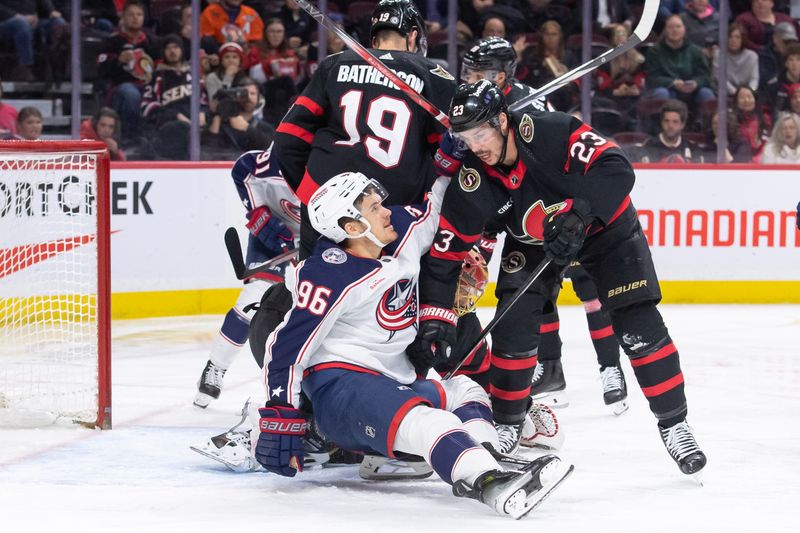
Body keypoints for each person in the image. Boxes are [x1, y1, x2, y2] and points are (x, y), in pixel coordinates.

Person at [413, 80, 707, 477]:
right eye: (465, 138)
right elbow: (446, 253)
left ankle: (675, 425)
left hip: (605, 229)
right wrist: (436, 315)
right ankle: (508, 423)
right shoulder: (473, 178)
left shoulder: (551, 131)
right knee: (513, 328)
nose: (475, 145)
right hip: (534, 243)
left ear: (502, 120)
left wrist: (581, 212)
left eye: (481, 133)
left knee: (637, 325)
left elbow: (617, 167)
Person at [250, 171, 573, 518]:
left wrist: (451, 158)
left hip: (390, 383)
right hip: (342, 389)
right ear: (354, 228)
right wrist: (279, 413)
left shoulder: (399, 231)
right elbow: (286, 349)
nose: (388, 211)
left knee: (465, 390)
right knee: (432, 423)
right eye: (375, 208)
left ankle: (486, 454)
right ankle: (489, 482)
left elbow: (436, 203)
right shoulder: (330, 274)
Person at [452, 37, 627, 414]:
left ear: (503, 72)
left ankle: (611, 367)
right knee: (536, 292)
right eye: (469, 70)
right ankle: (550, 369)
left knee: (590, 287)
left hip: (565, 202)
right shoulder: (475, 103)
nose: (469, 77)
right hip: (524, 210)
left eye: (478, 71)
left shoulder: (531, 100)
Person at [273, 0, 457, 260]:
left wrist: (313, 193)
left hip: (327, 205)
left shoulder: (333, 65)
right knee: (389, 297)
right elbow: (448, 155)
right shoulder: (434, 75)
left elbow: (287, 137)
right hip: (393, 213)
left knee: (316, 291)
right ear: (414, 36)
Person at [194, 145, 299, 408]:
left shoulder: (331, 159)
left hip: (316, 240)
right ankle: (215, 367)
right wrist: (272, 231)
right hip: (274, 241)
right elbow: (244, 174)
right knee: (252, 302)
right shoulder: (260, 165)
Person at [96, 0, 160, 141]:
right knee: (131, 94)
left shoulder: (152, 42)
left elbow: (161, 67)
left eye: (139, 14)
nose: (135, 18)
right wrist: (118, 60)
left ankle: (155, 141)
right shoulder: (112, 41)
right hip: (121, 88)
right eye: (131, 14)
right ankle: (131, 139)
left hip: (150, 87)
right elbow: (101, 69)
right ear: (123, 18)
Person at [141, 34, 208, 159]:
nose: (172, 51)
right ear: (163, 52)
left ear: (182, 50)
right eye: (168, 48)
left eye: (176, 47)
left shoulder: (194, 76)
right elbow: (147, 107)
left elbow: (204, 101)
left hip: (196, 125)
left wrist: (203, 112)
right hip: (168, 128)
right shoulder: (157, 76)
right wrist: (174, 115)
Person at [645, 14, 715, 113]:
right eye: (671, 27)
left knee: (706, 93)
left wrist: (696, 83)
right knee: (661, 93)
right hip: (668, 89)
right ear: (665, 30)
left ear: (684, 29)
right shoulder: (655, 51)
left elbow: (704, 76)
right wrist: (673, 83)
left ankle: (711, 126)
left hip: (692, 91)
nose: (675, 30)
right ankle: (660, 126)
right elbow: (652, 78)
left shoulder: (696, 51)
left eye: (678, 26)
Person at [711, 22, 759, 97]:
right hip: (724, 94)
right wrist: (736, 93)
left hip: (746, 94)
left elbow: (754, 79)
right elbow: (720, 78)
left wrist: (750, 92)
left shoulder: (752, 56)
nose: (733, 40)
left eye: (737, 37)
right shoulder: (719, 54)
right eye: (730, 37)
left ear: (743, 39)